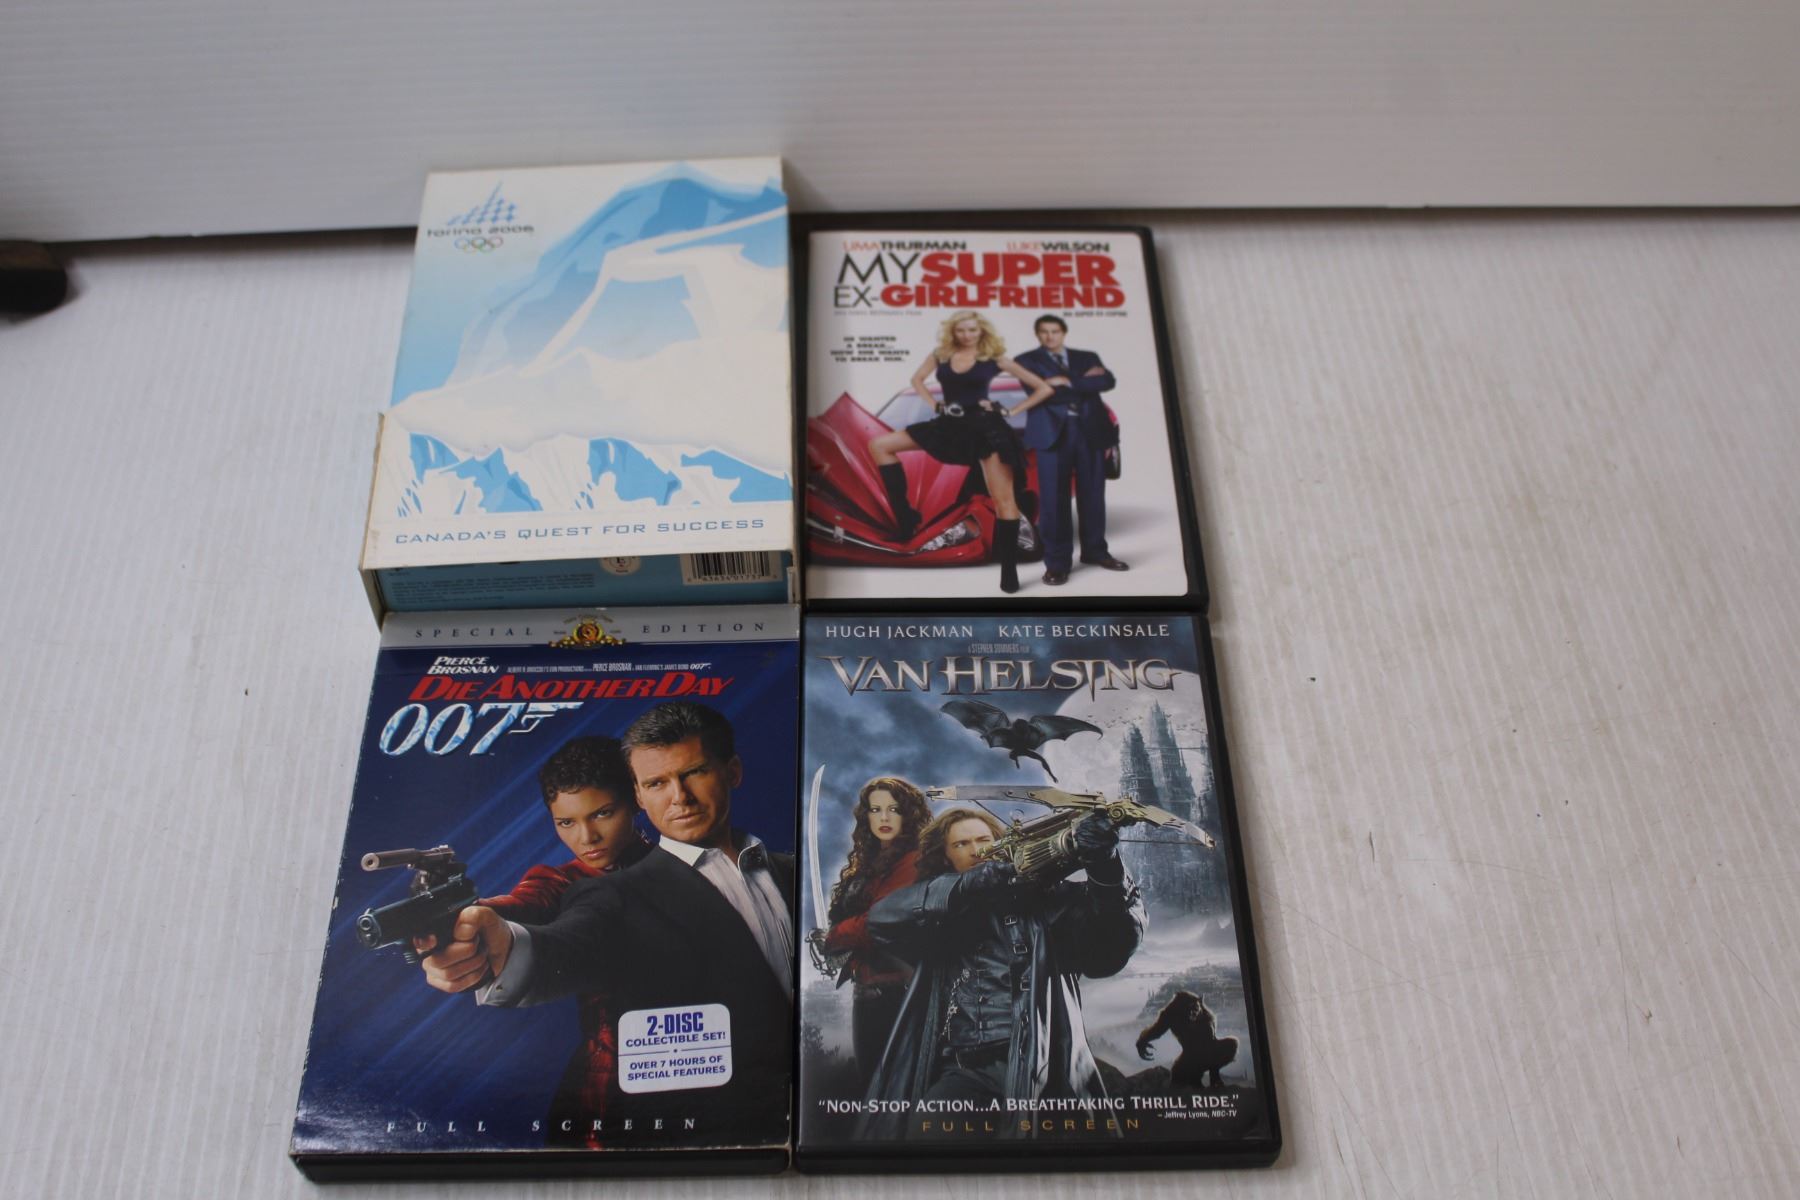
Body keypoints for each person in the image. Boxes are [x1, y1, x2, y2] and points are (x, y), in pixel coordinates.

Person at [417, 702, 794, 1144]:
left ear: (732, 772)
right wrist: (487, 935)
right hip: (642, 1101)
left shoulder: (791, 871)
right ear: (641, 794)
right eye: (657, 783)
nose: (680, 797)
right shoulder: (597, 890)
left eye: (694, 773)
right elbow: (550, 928)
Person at [861, 806, 1145, 1137]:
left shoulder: (1050, 900)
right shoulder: (938, 914)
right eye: (961, 844)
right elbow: (880, 920)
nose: (977, 850)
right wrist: (967, 886)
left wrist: (1106, 866)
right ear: (945, 857)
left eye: (984, 840)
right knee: (929, 1137)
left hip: (1046, 1067)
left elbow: (1112, 947)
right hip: (964, 1070)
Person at [454, 735, 650, 1147]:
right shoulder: (561, 881)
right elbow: (524, 904)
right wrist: (468, 918)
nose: (587, 837)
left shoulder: (684, 860)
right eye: (566, 823)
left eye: (603, 813)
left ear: (635, 800)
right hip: (606, 1075)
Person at [867, 310, 1053, 593]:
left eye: (972, 330)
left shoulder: (994, 358)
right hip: (950, 425)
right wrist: (935, 405)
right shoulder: (941, 355)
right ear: (953, 332)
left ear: (982, 331)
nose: (967, 335)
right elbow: (917, 380)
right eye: (961, 330)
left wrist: (1010, 410)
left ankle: (1009, 569)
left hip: (986, 429)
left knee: (1004, 500)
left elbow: (1043, 388)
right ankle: (906, 519)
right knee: (880, 445)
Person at [819, 777, 933, 1087]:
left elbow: (879, 921)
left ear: (908, 814)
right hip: (868, 993)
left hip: (901, 993)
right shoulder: (869, 863)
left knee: (896, 1090)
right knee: (872, 1088)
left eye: (893, 809)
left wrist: (834, 937)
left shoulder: (915, 859)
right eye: (875, 809)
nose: (884, 817)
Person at [1012, 314, 1129, 586]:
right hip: (1052, 435)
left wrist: (1064, 381)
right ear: (1038, 334)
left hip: (1090, 431)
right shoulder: (1025, 361)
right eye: (1044, 332)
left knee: (1093, 494)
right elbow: (1044, 391)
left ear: (1063, 333)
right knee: (1053, 501)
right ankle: (1057, 564)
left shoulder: (1087, 356)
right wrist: (1081, 383)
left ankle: (1096, 552)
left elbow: (1107, 382)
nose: (1050, 336)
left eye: (1055, 331)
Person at [1136, 990, 1239, 1090]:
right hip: (1189, 1057)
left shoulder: (1206, 1016)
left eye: (1195, 1009)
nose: (1193, 1013)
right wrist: (1142, 1041)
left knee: (1231, 1044)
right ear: (1181, 1009)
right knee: (1178, 1081)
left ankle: (1205, 1080)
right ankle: (1196, 1083)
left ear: (1199, 1005)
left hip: (1205, 1053)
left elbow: (1210, 1044)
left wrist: (1214, 1075)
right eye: (1189, 1010)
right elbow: (1157, 1030)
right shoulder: (1170, 1014)